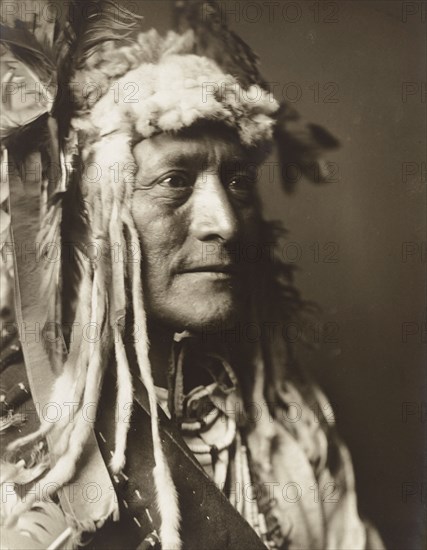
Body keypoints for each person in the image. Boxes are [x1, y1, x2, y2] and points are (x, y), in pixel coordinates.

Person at [0, 1, 385, 548]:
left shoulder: (283, 422)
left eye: (235, 182)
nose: (224, 223)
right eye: (175, 181)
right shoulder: (26, 439)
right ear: (89, 220)